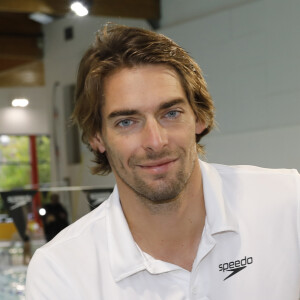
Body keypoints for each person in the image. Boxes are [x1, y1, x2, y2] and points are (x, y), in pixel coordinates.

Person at [26, 24, 300, 299]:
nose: (156, 142)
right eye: (126, 122)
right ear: (97, 137)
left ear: (199, 116)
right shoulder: (61, 271)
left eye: (170, 113)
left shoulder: (288, 202)